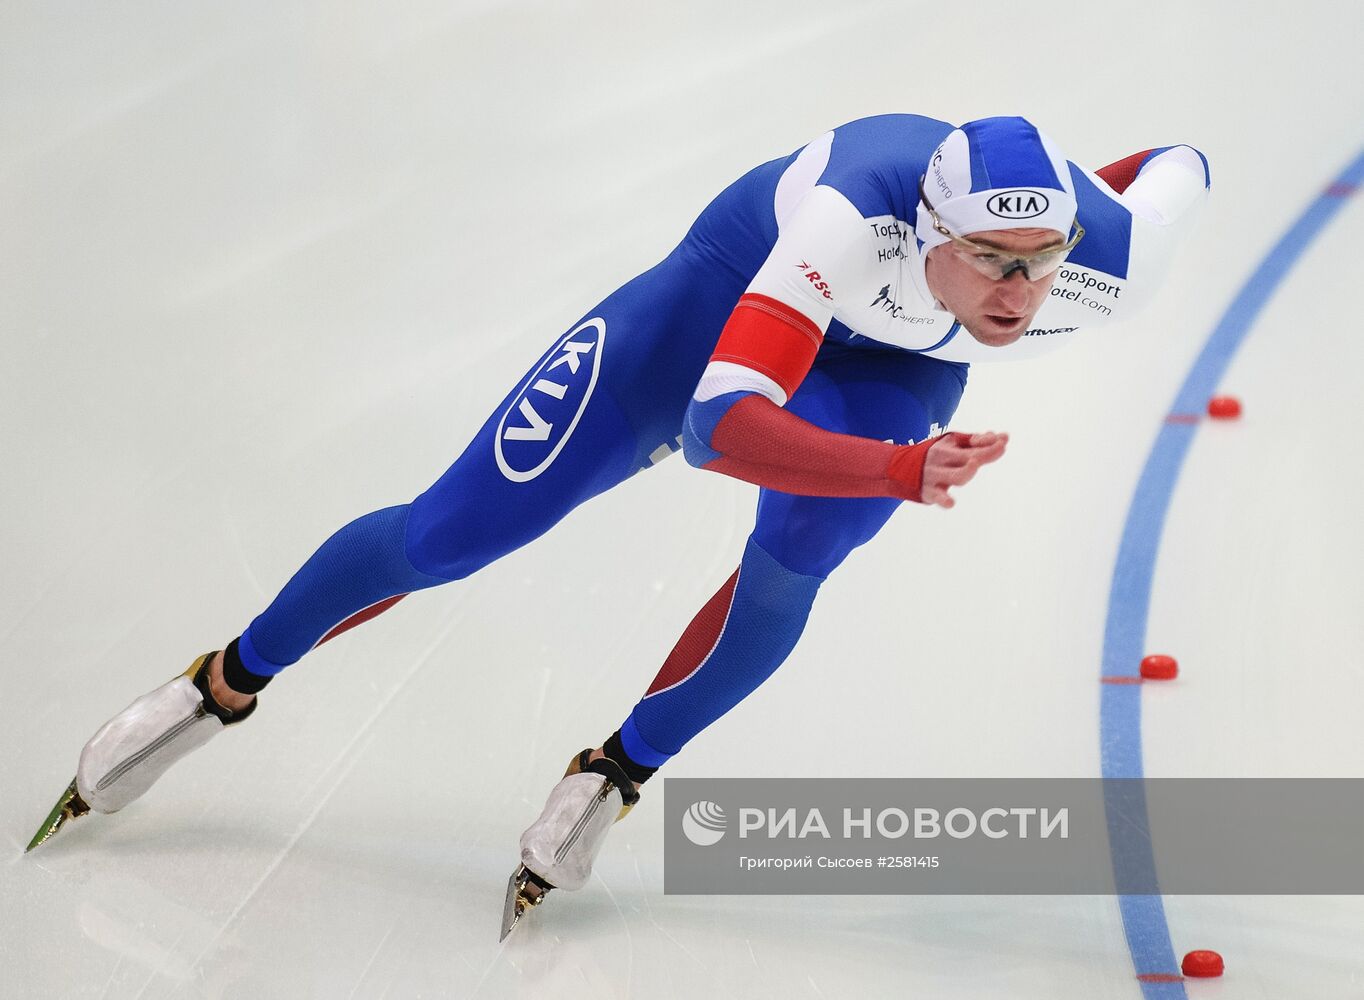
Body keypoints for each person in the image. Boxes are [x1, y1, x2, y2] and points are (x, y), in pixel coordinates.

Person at [29, 114, 1209, 934]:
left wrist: (1086, 193)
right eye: (989, 260)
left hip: (886, 368)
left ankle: (618, 768)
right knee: (450, 533)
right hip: (707, 318)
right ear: (930, 234)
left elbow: (1176, 162)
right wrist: (897, 471)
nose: (1016, 291)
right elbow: (715, 428)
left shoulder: (1109, 264)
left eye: (1039, 260)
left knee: (799, 554)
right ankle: (221, 683)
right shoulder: (848, 221)